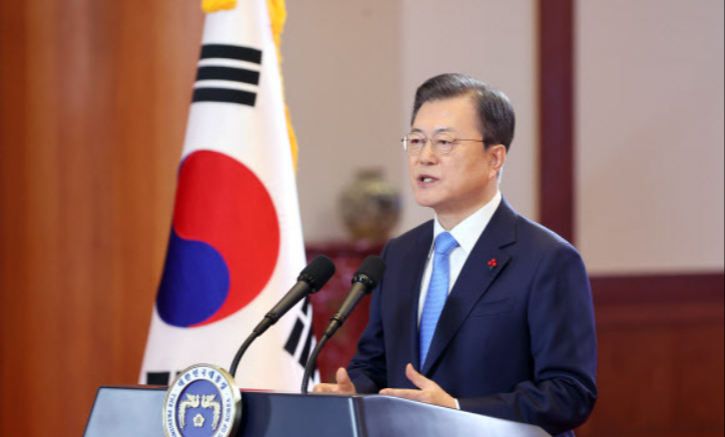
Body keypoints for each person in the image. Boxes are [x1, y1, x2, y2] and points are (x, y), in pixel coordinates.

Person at [314, 73, 597, 436]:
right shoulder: (399, 254)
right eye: (416, 141)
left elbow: (569, 393)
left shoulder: (547, 259)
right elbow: (375, 365)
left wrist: (458, 410)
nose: (424, 157)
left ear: (494, 158)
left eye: (444, 142)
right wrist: (354, 391)